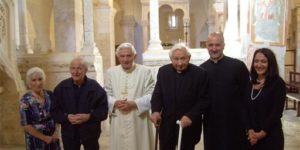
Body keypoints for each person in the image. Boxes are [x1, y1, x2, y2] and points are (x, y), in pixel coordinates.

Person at [150, 43, 209, 150]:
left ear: (189, 58)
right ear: (171, 58)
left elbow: (204, 100)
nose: (180, 63)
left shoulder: (199, 73)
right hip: (167, 124)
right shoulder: (163, 71)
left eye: (183, 58)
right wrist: (155, 111)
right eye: (176, 59)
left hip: (188, 125)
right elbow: (158, 94)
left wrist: (191, 116)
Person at [200, 32, 249, 150]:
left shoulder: (238, 66)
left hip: (235, 122)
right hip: (211, 123)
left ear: (223, 46)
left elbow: (247, 96)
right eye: (211, 45)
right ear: (206, 46)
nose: (214, 48)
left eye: (217, 45)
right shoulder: (201, 69)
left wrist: (248, 123)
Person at [105, 42, 155, 150]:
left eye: (128, 56)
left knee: (140, 145)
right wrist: (115, 102)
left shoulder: (145, 72)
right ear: (118, 57)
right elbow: (106, 94)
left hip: (138, 118)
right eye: (122, 56)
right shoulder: (111, 72)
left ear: (134, 56)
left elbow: (152, 95)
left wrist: (134, 103)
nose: (125, 59)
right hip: (118, 116)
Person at [51, 57, 108, 150]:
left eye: (79, 68)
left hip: (90, 133)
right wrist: (66, 117)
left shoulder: (95, 87)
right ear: (70, 70)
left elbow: (103, 111)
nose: (75, 72)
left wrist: (89, 116)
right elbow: (54, 111)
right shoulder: (61, 88)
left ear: (85, 70)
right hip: (69, 133)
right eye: (73, 68)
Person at [244, 48, 285, 150]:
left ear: (270, 63)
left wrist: (261, 134)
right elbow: (245, 109)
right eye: (256, 61)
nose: (259, 65)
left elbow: (276, 113)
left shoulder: (278, 84)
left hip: (270, 137)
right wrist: (250, 130)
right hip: (251, 138)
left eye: (263, 61)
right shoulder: (250, 84)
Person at [19, 67, 60, 150]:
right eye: (33, 80)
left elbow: (57, 115)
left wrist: (56, 132)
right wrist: (44, 138)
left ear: (44, 80)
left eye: (40, 79)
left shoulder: (50, 95)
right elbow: (26, 125)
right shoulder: (25, 100)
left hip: (53, 139)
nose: (38, 83)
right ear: (29, 83)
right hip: (36, 142)